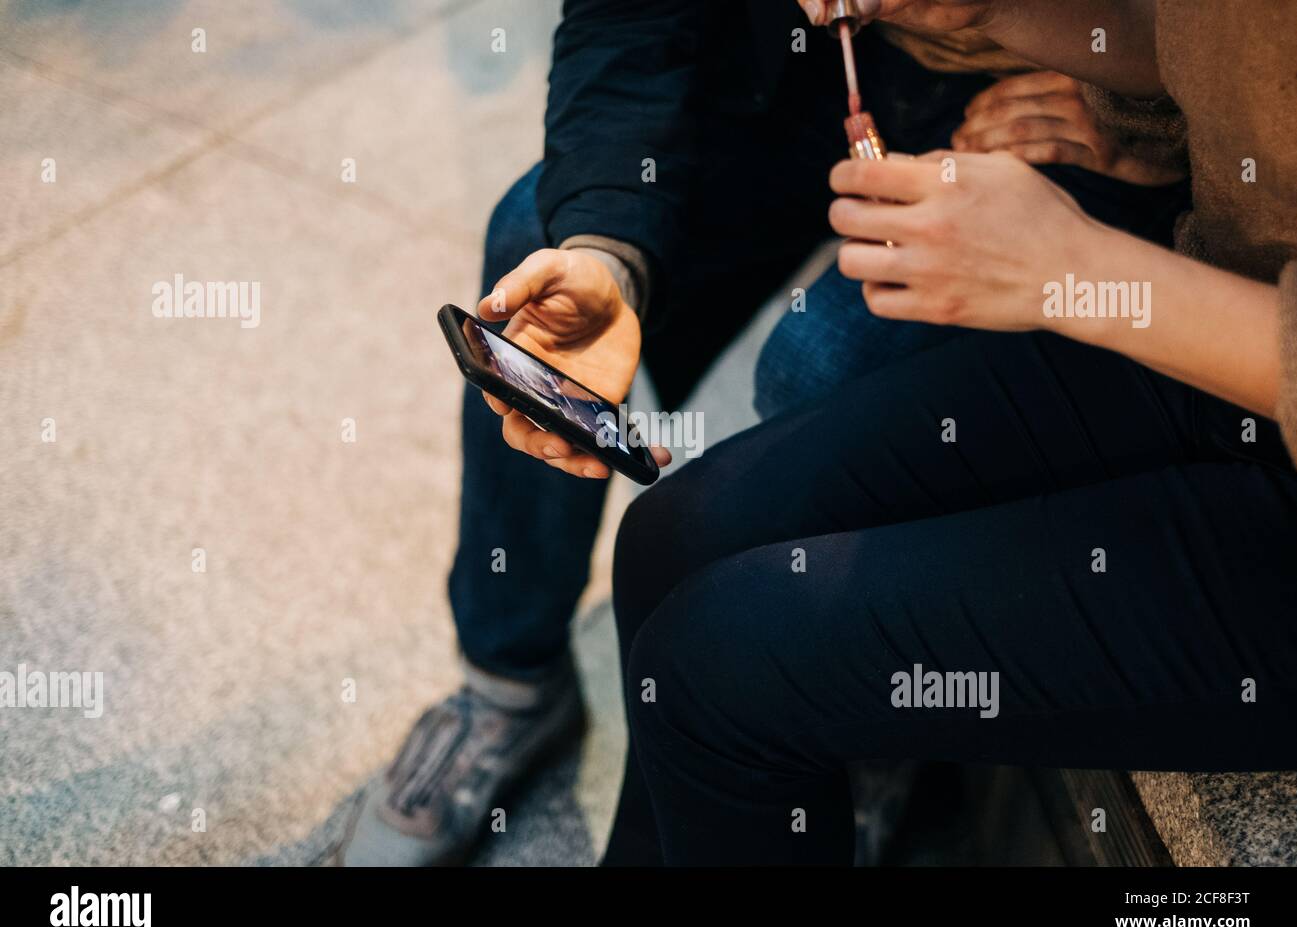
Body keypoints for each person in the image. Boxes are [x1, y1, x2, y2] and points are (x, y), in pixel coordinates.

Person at [336, 1, 1188, 865]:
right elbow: (623, 27)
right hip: (789, 78)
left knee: (825, 364)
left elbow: (1244, 62)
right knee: (539, 238)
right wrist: (607, 251)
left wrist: (1148, 109)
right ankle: (508, 685)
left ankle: (864, 731)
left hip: (1059, 111)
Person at [595, 0, 1297, 865]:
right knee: (673, 532)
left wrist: (1075, 271)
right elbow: (1216, 57)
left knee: (720, 668)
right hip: (1232, 349)